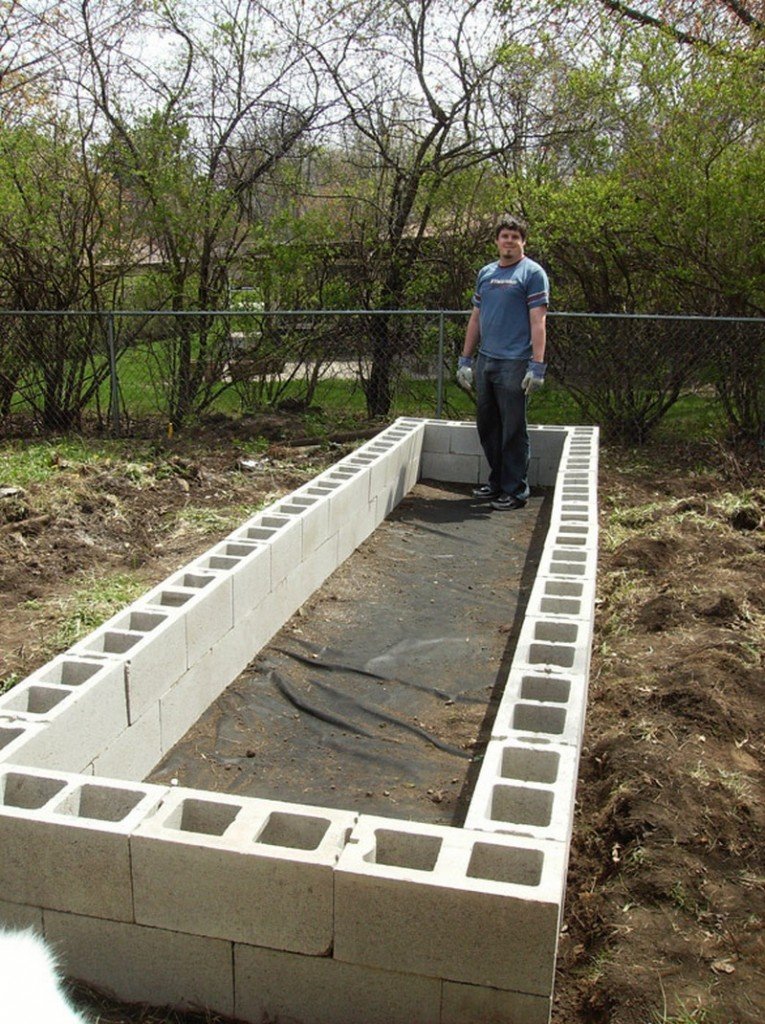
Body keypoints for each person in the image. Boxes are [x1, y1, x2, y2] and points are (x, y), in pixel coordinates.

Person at [457, 214, 549, 511]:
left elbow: (539, 321)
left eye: (515, 237)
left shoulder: (532, 273)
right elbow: (475, 318)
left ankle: (515, 491)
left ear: (523, 242)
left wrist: (536, 366)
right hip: (487, 360)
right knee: (488, 425)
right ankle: (497, 482)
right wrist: (465, 359)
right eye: (504, 236)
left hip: (515, 363)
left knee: (513, 429)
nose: (509, 241)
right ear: (496, 241)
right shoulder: (486, 273)